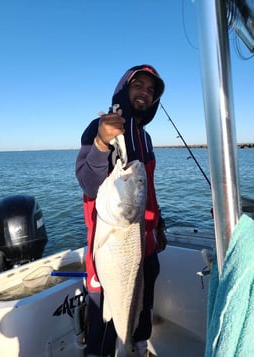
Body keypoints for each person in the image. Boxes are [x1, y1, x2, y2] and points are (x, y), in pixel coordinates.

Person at [76, 64, 167, 357]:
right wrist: (102, 142)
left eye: (151, 90)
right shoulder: (99, 127)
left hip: (146, 248)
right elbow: (89, 183)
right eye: (138, 85)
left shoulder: (145, 137)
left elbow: (146, 191)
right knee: (103, 331)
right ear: (124, 89)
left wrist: (160, 224)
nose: (144, 93)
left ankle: (137, 350)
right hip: (113, 249)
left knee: (140, 315)